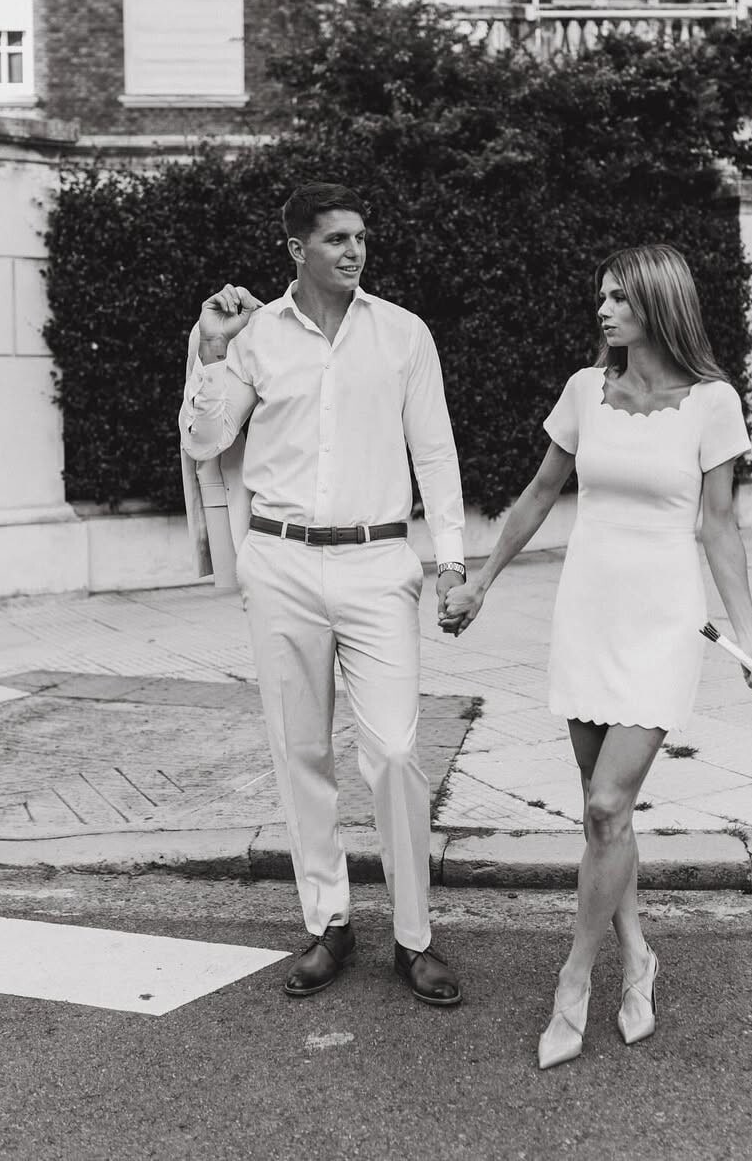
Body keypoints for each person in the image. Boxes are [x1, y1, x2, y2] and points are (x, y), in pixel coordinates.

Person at [442, 243, 752, 1067]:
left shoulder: (713, 403)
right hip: (587, 615)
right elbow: (538, 492)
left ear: (659, 303)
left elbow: (719, 526)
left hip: (662, 624)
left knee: (603, 805)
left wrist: (751, 636)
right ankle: (639, 955)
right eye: (602, 296)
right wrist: (481, 581)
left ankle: (574, 979)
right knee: (607, 815)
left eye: (621, 297)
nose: (605, 309)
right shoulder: (584, 390)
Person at [179, 182, 467, 1007]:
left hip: (378, 562)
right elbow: (206, 439)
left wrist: (451, 560)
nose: (354, 251)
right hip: (281, 562)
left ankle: (414, 935)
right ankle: (328, 921)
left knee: (396, 753)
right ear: (295, 249)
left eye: (361, 237)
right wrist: (211, 352)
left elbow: (435, 451)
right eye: (337, 238)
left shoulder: (403, 332)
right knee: (299, 749)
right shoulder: (256, 336)